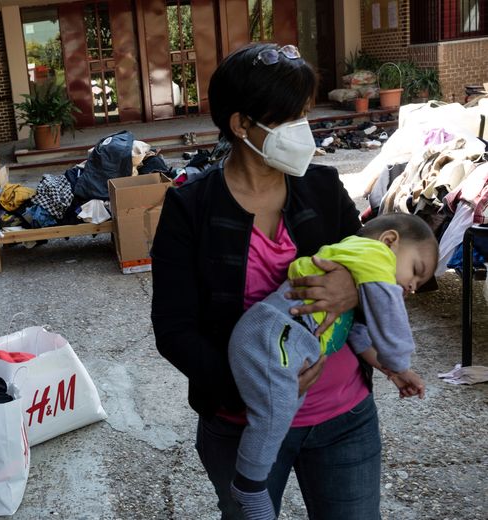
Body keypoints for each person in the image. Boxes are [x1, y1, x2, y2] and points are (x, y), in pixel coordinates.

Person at [151, 42, 380, 519]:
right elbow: (174, 330)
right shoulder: (190, 209)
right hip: (239, 425)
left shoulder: (322, 187)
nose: (305, 129)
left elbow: (374, 265)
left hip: (342, 416)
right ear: (241, 125)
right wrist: (254, 389)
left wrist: (353, 288)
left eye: (304, 113)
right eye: (290, 118)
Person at [227, 213, 438, 519]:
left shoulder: (354, 263)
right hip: (272, 336)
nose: (412, 287)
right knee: (274, 409)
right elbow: (389, 321)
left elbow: (357, 334)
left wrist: (394, 372)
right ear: (389, 241)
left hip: (276, 338)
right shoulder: (374, 254)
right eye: (415, 270)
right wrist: (399, 358)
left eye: (418, 284)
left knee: (282, 405)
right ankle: (248, 484)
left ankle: (252, 481)